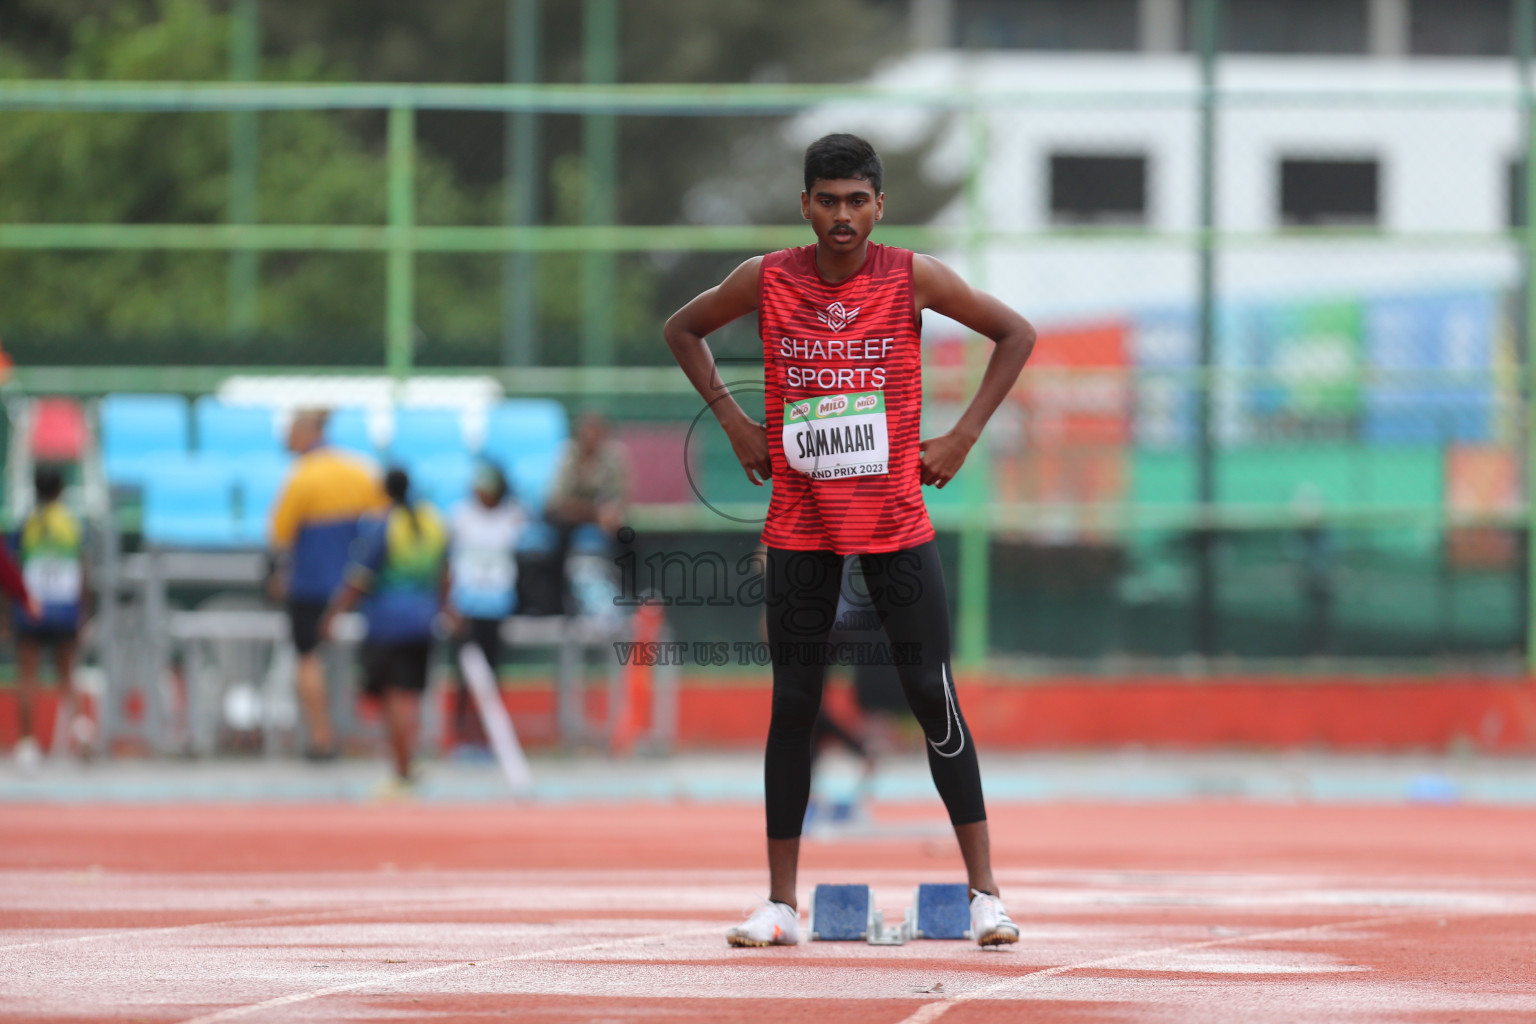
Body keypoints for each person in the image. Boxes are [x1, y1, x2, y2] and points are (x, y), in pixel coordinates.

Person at [663, 132, 1036, 948]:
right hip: (801, 527)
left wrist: (963, 436)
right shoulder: (767, 279)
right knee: (792, 706)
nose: (841, 216)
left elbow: (1016, 335)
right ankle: (779, 905)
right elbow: (682, 329)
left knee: (933, 697)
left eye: (855, 201)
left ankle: (987, 897)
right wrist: (733, 422)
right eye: (826, 200)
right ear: (805, 204)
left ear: (878, 205)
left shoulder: (913, 277)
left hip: (896, 522)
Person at [268, 409, 387, 759]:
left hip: (312, 584)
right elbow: (383, 523)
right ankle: (376, 732)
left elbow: (279, 535)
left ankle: (322, 736)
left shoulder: (302, 477)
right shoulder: (359, 469)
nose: (286, 438)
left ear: (307, 431)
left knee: (307, 657)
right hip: (357, 585)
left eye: (291, 430)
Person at [320, 468, 447, 792]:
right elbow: (446, 574)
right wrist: (445, 610)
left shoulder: (383, 525)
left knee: (393, 696)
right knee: (409, 696)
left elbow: (359, 579)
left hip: (387, 623)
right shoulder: (432, 522)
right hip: (424, 620)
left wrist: (333, 614)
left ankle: (402, 771)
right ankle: (408, 761)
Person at [446, 462, 525, 750]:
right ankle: (462, 733)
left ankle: (488, 734)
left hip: (497, 605)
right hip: (467, 605)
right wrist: (450, 605)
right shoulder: (460, 517)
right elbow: (448, 565)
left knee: (492, 672)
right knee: (465, 673)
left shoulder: (513, 517)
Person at [7, 468, 69, 771]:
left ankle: (28, 744)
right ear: (61, 490)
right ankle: (75, 735)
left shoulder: (27, 523)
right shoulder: (70, 524)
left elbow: (12, 566)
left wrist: (12, 610)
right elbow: (83, 569)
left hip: (30, 607)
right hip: (65, 610)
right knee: (68, 675)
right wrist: (83, 610)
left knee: (28, 676)